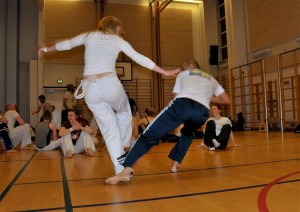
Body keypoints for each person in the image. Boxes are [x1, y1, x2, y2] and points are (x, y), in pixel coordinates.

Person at [38, 16, 179, 174]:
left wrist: (44, 49)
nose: (121, 32)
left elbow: (66, 44)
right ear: (114, 27)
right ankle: (125, 144)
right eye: (120, 30)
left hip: (89, 89)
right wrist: (164, 71)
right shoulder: (117, 40)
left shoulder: (89, 35)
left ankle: (120, 169)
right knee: (125, 111)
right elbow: (139, 58)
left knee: (109, 130)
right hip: (108, 83)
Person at [105, 57, 230, 184]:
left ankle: (126, 172)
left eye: (183, 66)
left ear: (189, 65)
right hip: (202, 112)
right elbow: (226, 100)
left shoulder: (183, 74)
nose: (181, 68)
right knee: (187, 134)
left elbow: (176, 97)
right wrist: (206, 96)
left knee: (149, 135)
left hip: (183, 104)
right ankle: (175, 165)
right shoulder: (211, 78)